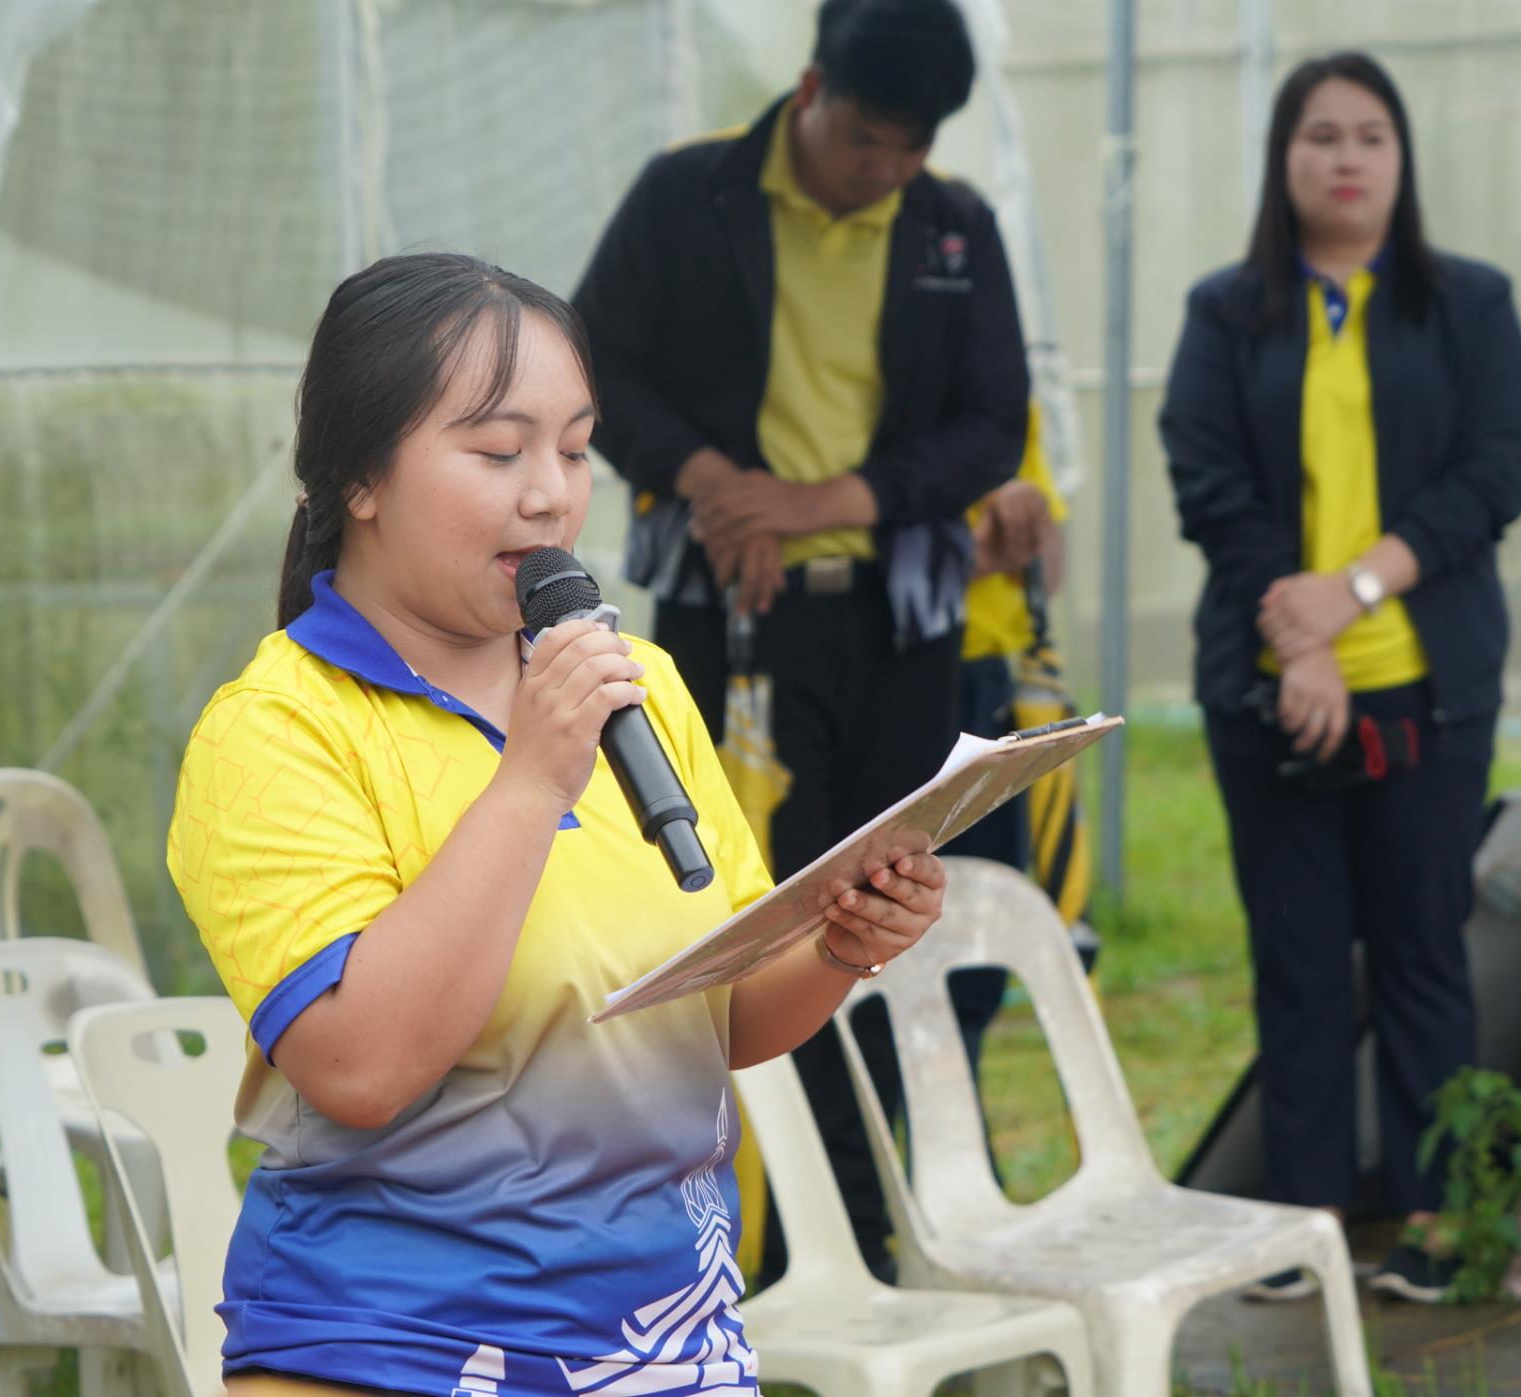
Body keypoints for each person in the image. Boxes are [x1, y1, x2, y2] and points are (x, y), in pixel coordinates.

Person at [166, 251, 948, 1396]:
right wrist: (531, 780)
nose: (550, 496)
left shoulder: (641, 685)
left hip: (665, 1342)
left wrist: (840, 942)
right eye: (498, 451)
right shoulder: (276, 731)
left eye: (576, 449)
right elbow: (362, 1068)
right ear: (360, 477)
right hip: (384, 1349)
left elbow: (720, 1016)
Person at [573, 0, 1028, 1282]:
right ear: (814, 88)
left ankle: (882, 1230)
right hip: (727, 628)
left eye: (913, 149)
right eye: (869, 139)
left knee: (882, 907)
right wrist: (713, 481)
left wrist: (829, 500)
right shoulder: (690, 197)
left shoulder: (953, 227)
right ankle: (755, 1236)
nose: (888, 169)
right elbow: (594, 361)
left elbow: (993, 425)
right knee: (747, 916)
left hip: (897, 631)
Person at [1159, 52, 1521, 1304]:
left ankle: (1437, 1212)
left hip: (1429, 684)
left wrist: (1358, 591)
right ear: (1285, 158)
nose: (1347, 158)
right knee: (1301, 954)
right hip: (1269, 683)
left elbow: (1495, 472)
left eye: (1372, 135)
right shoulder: (1226, 312)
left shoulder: (1469, 303)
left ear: (1401, 158)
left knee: (1423, 943)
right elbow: (1207, 476)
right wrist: (1303, 637)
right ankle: (1306, 1211)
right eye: (1321, 134)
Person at [944, 400, 1069, 1072]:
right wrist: (965, 553)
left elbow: (1050, 568)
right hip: (889, 677)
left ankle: (957, 1100)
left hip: (989, 687)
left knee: (981, 922)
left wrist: (1030, 517)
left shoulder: (1004, 398)